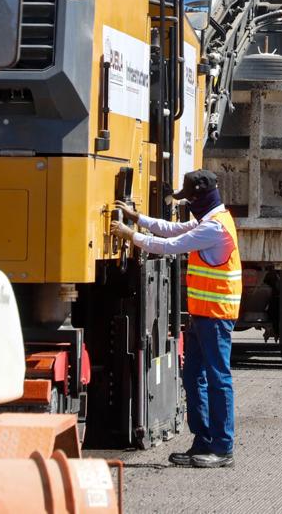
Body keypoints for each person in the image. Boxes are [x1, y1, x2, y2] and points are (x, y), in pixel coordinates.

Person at [112, 169, 240, 468]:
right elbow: (173, 229)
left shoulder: (215, 228)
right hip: (202, 314)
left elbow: (170, 246)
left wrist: (131, 235)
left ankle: (222, 448)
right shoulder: (208, 221)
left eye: (190, 199)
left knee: (218, 379)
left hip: (216, 316)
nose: (188, 205)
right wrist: (138, 218)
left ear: (202, 197)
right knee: (193, 377)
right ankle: (203, 442)